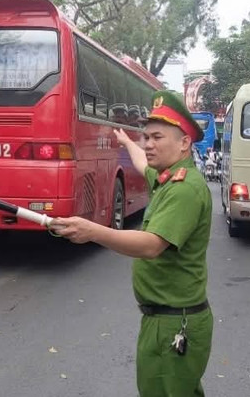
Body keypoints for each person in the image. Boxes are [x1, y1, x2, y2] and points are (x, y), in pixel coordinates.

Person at [50, 91, 214, 396]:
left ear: (184, 143)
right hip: (163, 319)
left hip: (174, 323)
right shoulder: (167, 178)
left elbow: (151, 245)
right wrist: (126, 142)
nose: (148, 144)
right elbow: (141, 165)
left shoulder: (184, 189)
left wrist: (93, 231)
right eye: (146, 137)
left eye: (157, 138)